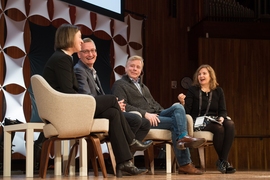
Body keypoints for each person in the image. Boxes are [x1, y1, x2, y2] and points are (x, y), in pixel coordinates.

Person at [41, 24, 153, 177]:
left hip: (70, 107)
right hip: (65, 112)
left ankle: (124, 162)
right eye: (79, 37)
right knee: (113, 101)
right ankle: (131, 141)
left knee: (113, 112)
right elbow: (68, 93)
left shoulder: (64, 58)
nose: (81, 41)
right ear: (69, 38)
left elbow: (68, 91)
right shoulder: (62, 59)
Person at [111, 55, 206, 175]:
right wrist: (145, 114)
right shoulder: (120, 84)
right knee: (177, 123)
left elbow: (154, 104)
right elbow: (123, 106)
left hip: (156, 115)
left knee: (178, 107)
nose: (135, 69)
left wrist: (164, 112)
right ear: (125, 68)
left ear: (141, 71)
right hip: (142, 120)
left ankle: (183, 138)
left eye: (138, 67)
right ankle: (185, 163)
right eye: (132, 66)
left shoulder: (143, 87)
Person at [74, 38, 151, 142]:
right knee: (136, 119)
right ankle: (124, 152)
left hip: (103, 110)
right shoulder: (79, 70)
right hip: (93, 113)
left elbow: (101, 96)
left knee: (145, 123)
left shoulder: (92, 72)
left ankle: (126, 152)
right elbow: (87, 98)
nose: (90, 54)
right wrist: (112, 104)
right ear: (79, 54)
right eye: (86, 51)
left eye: (93, 50)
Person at [178, 64, 236, 174]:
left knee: (230, 124)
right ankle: (224, 161)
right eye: (199, 74)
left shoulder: (218, 91)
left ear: (210, 76)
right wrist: (182, 102)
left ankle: (222, 161)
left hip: (214, 119)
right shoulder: (192, 90)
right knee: (219, 129)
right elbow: (187, 111)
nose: (201, 76)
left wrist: (222, 118)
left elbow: (223, 110)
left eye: (204, 73)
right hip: (198, 121)